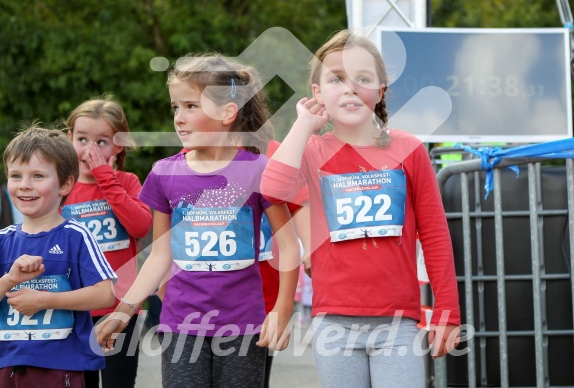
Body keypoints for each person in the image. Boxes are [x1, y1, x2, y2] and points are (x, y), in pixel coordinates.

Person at [260, 29, 461, 387]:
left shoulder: (408, 148)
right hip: (333, 322)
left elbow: (434, 234)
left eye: (363, 79)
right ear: (317, 92)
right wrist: (304, 125)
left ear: (380, 89)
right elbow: (273, 189)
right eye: (336, 79)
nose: (350, 88)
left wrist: (447, 311)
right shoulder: (313, 151)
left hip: (398, 322)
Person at [96, 53, 300, 387]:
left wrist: (282, 308)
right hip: (180, 325)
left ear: (227, 113)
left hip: (244, 326)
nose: (179, 117)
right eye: (175, 107)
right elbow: (160, 255)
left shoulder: (259, 170)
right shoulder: (164, 173)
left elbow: (289, 247)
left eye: (191, 106)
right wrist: (124, 310)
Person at [0, 125, 116, 387]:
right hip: (3, 366)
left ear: (65, 184)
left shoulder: (76, 235)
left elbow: (105, 294)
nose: (25, 185)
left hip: (62, 368)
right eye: (16, 175)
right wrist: (8, 280)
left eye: (38, 176)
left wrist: (45, 300)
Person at [61, 96, 153, 388]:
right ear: (69, 139)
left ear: (119, 145)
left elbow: (140, 225)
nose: (91, 150)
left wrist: (104, 176)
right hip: (74, 311)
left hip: (121, 310)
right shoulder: (61, 189)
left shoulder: (127, 182)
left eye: (102, 142)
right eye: (82, 139)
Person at [258, 139, 310, 388]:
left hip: (261, 303)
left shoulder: (274, 152)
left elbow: (299, 202)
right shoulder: (193, 154)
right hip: (196, 300)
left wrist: (310, 247)